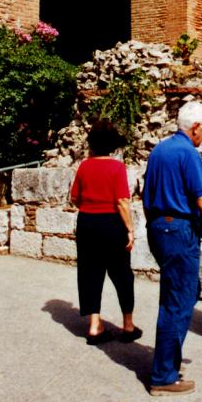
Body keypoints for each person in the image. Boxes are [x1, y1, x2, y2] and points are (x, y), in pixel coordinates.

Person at [142, 101, 202, 395]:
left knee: (176, 295)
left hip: (159, 227)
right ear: (195, 127)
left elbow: (147, 195)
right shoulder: (188, 153)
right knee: (178, 302)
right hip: (178, 230)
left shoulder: (159, 150)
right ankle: (164, 376)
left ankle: (166, 363)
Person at [71, 119, 140, 345]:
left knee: (90, 273)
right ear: (112, 145)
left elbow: (75, 198)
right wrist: (130, 229)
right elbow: (122, 201)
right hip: (111, 223)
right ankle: (128, 324)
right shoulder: (117, 167)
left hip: (88, 223)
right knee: (122, 274)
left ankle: (94, 325)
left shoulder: (84, 166)